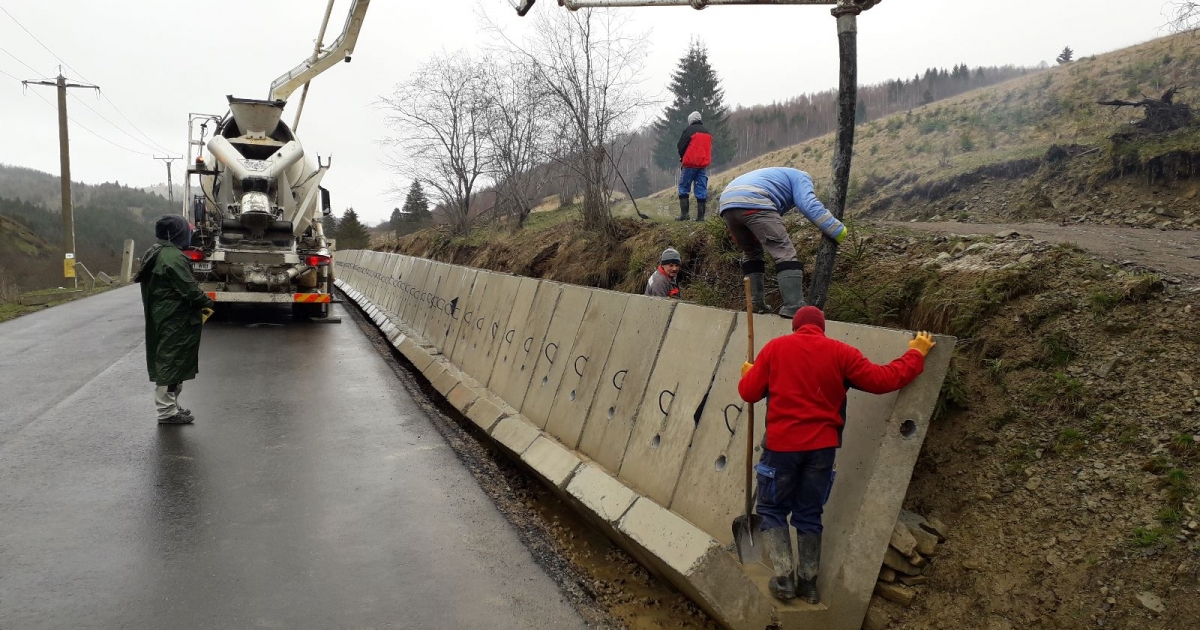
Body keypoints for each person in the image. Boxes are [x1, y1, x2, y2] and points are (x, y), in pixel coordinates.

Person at [738, 306, 936, 604]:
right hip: (822, 451)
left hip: (782, 449)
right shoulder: (842, 353)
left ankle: (784, 581)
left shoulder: (775, 349)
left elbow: (749, 393)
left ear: (795, 327)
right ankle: (808, 585)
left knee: (772, 510)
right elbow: (883, 380)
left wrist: (749, 375)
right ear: (822, 328)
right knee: (808, 513)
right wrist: (915, 354)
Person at [719, 167, 849, 318]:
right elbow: (809, 205)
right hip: (755, 201)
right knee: (784, 252)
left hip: (727, 205)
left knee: (751, 252)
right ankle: (793, 306)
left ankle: (755, 304)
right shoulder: (801, 177)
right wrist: (838, 230)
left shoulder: (774, 175)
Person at [136, 215, 215, 425]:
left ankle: (171, 407)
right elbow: (190, 289)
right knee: (170, 361)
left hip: (164, 314)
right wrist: (208, 302)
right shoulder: (173, 258)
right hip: (175, 317)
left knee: (170, 359)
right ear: (177, 233)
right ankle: (167, 411)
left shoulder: (155, 251)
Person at [675, 111, 712, 222]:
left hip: (689, 164)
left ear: (690, 120)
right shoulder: (707, 132)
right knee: (701, 189)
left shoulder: (688, 130)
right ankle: (700, 218)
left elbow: (680, 145)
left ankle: (685, 215)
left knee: (684, 188)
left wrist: (682, 157)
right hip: (702, 166)